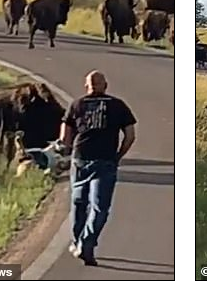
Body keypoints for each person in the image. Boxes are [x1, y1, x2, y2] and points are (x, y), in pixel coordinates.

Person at [58, 70, 137, 266]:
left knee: (78, 203)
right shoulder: (118, 105)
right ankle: (87, 243)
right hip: (106, 160)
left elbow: (64, 138)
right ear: (105, 85)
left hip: (81, 158)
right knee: (99, 207)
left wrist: (65, 154)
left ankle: (77, 242)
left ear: (86, 86)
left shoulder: (76, 105)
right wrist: (119, 155)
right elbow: (130, 135)